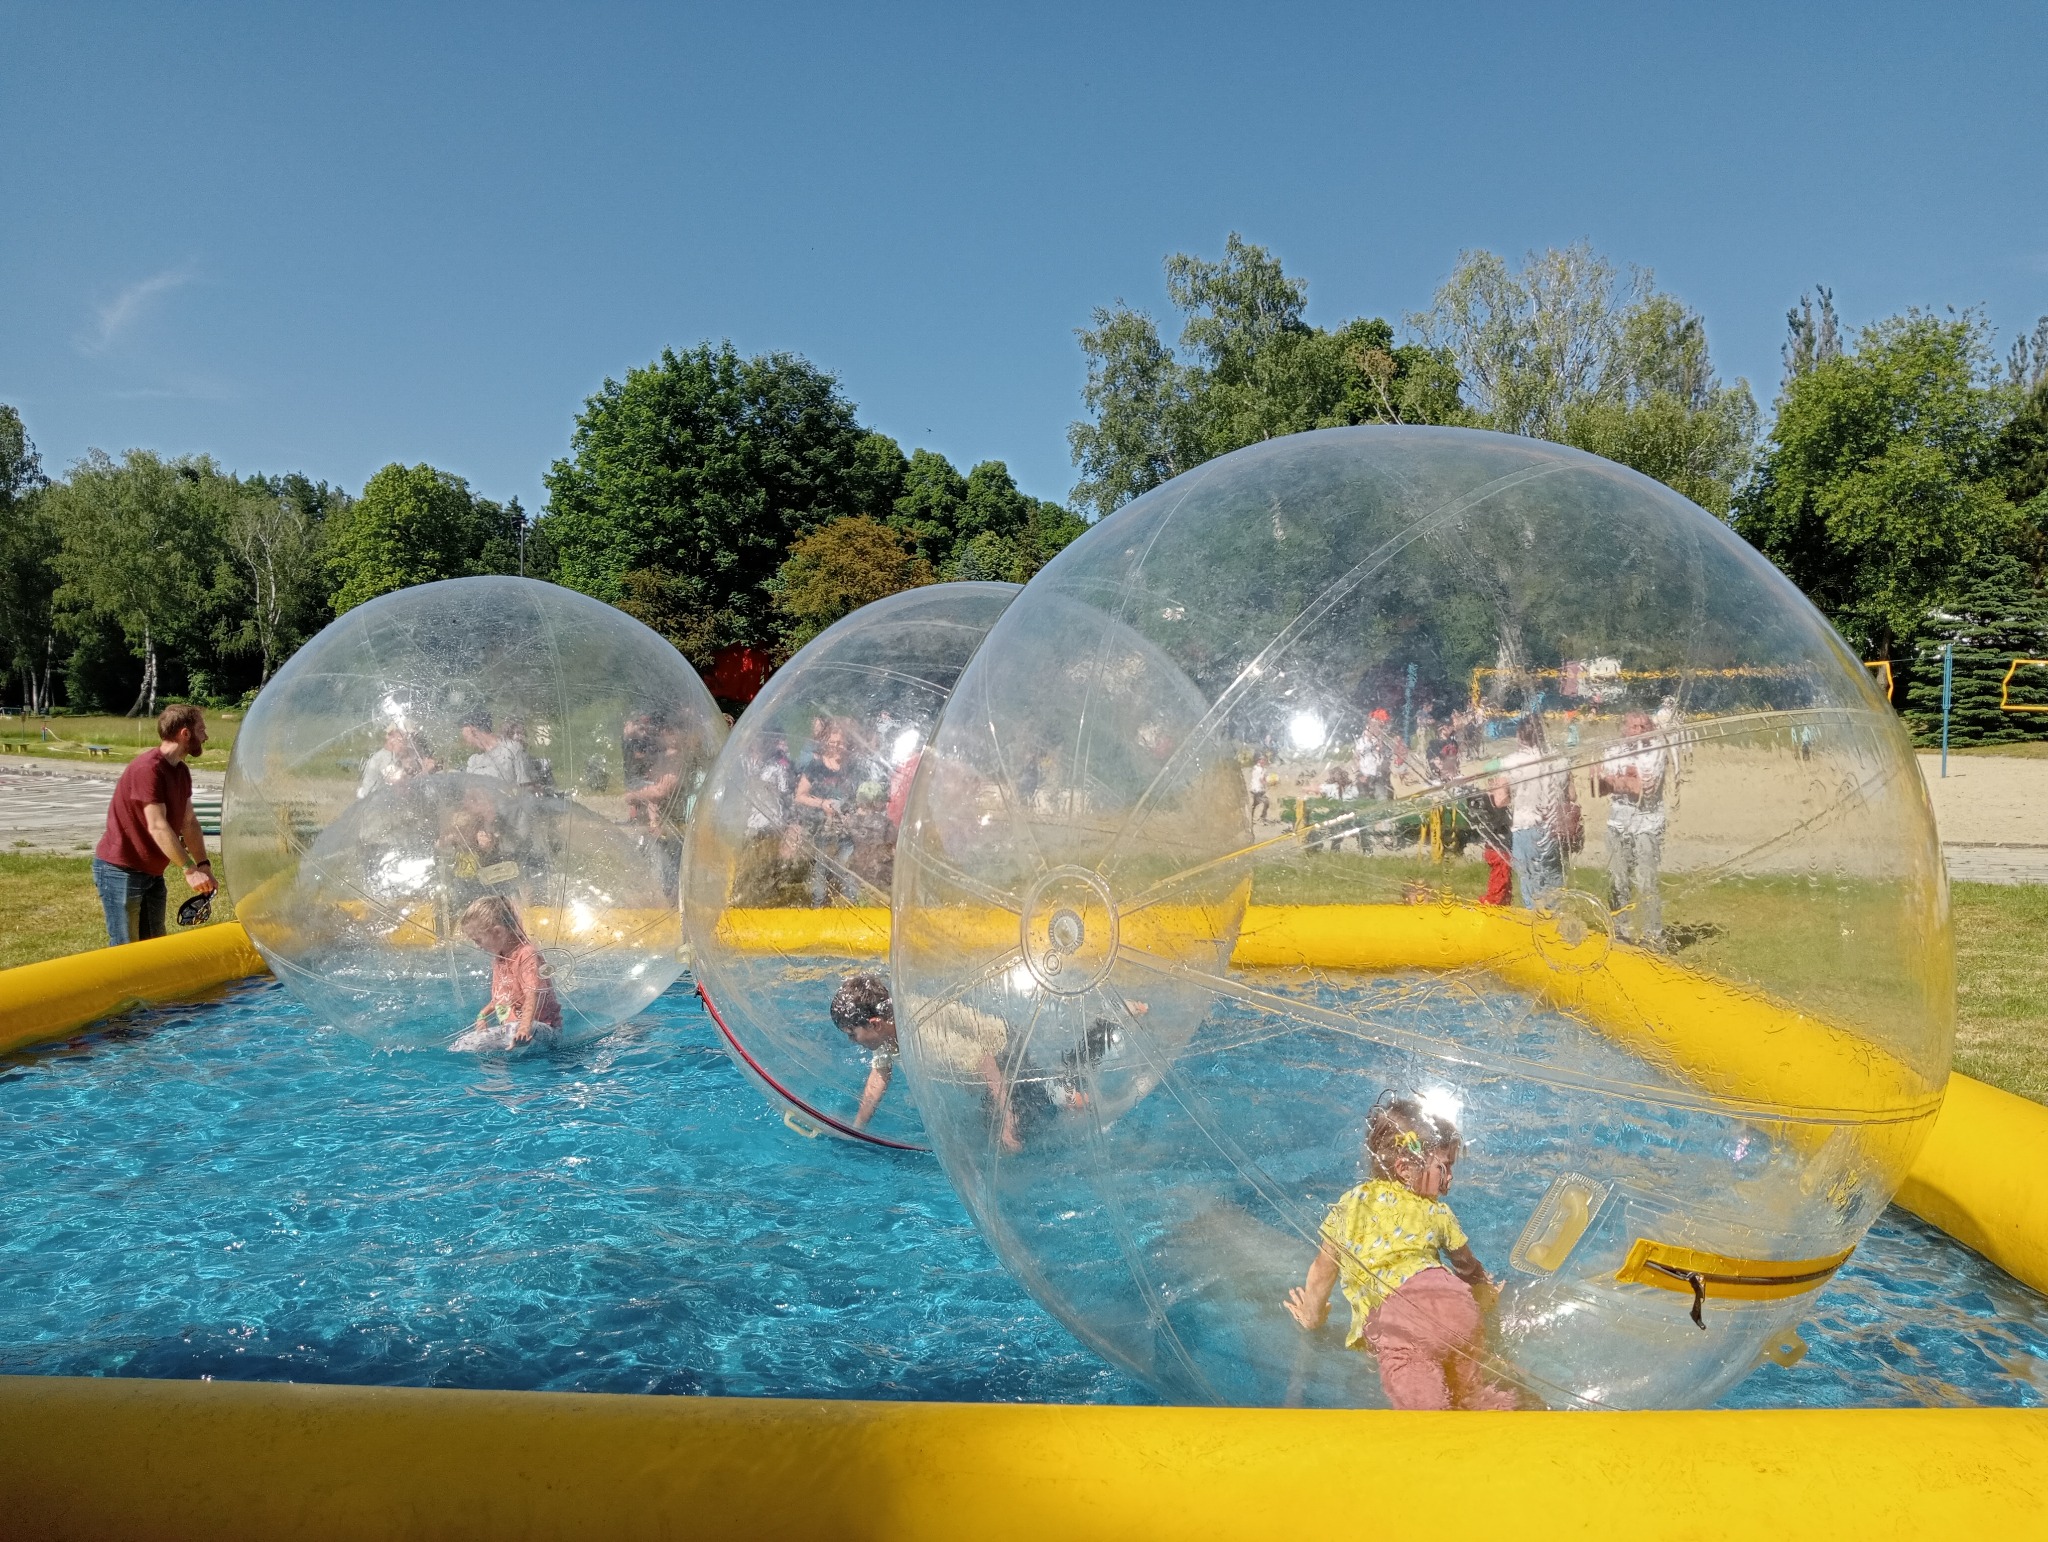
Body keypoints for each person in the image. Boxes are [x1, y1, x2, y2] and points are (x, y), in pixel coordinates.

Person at [1284, 1095, 1516, 1411]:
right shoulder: (1439, 1213)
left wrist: (1311, 1314)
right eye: (1444, 1167)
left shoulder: (1353, 1203)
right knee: (1474, 1396)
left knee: (1425, 1412)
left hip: (1402, 1320)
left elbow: (1324, 1266)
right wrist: (1486, 1297)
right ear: (1405, 1169)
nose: (1450, 1178)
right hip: (1458, 1306)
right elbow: (1469, 1269)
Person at [830, 973, 1127, 1150]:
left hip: (1008, 1057)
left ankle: (1106, 1045)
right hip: (996, 1061)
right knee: (998, 1128)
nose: (851, 1042)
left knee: (1065, 1098)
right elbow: (879, 1075)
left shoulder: (923, 1039)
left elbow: (985, 1062)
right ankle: (1100, 1031)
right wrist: (858, 1127)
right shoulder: (889, 1029)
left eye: (852, 1035)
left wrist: (1008, 1124)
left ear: (874, 1023)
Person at [93, 704, 216, 946]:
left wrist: (204, 865)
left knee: (154, 945)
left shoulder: (180, 771)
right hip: (120, 871)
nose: (206, 736)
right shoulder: (147, 769)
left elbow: (188, 822)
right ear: (185, 734)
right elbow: (157, 826)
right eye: (201, 729)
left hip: (152, 873)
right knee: (125, 947)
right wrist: (190, 870)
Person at [1594, 710, 1669, 946]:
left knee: (1646, 881)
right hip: (1617, 823)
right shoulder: (1613, 750)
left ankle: (1653, 935)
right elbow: (1597, 789)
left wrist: (1614, 780)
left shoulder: (1656, 750)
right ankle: (1621, 931)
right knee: (1617, 881)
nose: (1638, 732)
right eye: (1633, 727)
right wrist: (1617, 781)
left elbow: (1644, 789)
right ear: (1624, 729)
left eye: (1643, 727)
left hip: (1647, 824)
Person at [453, 895, 561, 1050]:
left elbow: (533, 994)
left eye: (478, 940)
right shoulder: (500, 958)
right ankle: (499, 1068)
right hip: (514, 1029)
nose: (478, 946)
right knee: (463, 1044)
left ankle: (512, 1049)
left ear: (498, 932)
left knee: (511, 1031)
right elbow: (503, 998)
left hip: (542, 1029)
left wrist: (525, 1027)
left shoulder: (527, 955)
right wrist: (482, 1015)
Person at [1491, 715, 1566, 907]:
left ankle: (1536, 926)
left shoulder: (1511, 762)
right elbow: (1571, 795)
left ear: (1519, 735)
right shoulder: (1559, 759)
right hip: (1553, 827)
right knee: (1553, 880)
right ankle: (1555, 922)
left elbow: (1500, 801)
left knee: (1530, 882)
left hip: (1525, 826)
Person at [461, 711, 538, 790]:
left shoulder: (512, 749)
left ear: (474, 731)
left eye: (466, 738)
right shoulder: (473, 760)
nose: (467, 744)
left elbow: (528, 787)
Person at [357, 725, 435, 798]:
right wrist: (423, 771)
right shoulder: (383, 758)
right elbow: (396, 780)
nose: (410, 742)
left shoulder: (401, 754)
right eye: (405, 737)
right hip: (375, 800)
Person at [1246, 753, 1271, 824]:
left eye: (1265, 760)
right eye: (1263, 760)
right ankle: (1262, 818)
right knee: (1266, 802)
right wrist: (1269, 784)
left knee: (1255, 804)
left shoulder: (1260, 768)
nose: (1264, 761)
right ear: (1259, 760)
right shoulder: (1259, 769)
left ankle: (1251, 819)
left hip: (1257, 789)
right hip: (1257, 789)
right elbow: (1261, 779)